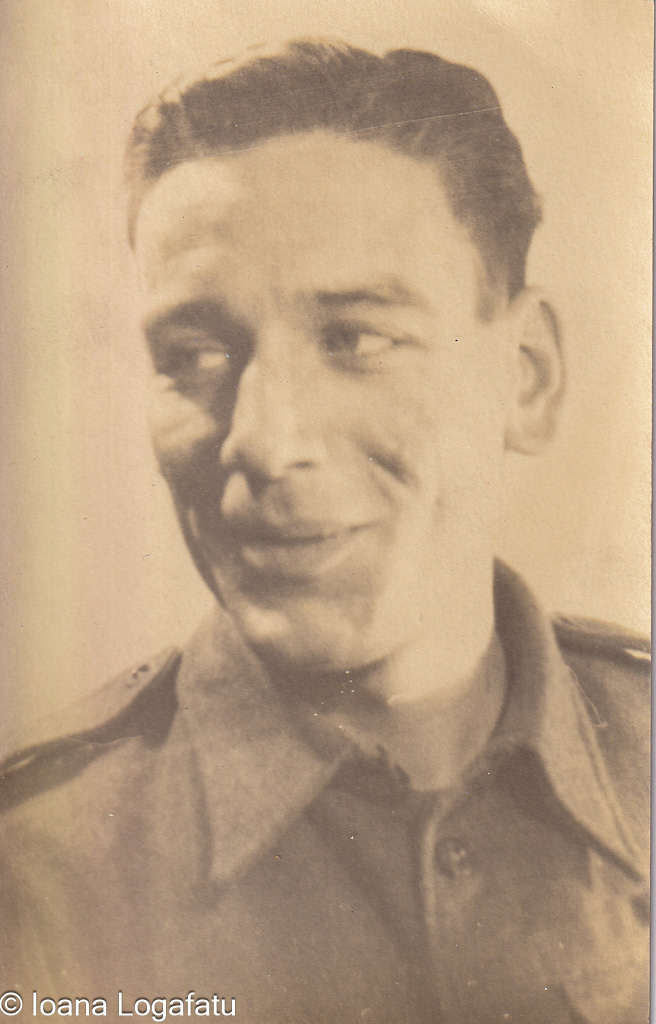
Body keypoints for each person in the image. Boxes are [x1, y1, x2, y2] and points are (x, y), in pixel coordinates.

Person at [0, 39, 649, 1024]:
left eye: (354, 338)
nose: (263, 440)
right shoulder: (35, 872)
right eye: (195, 352)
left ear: (523, 375)